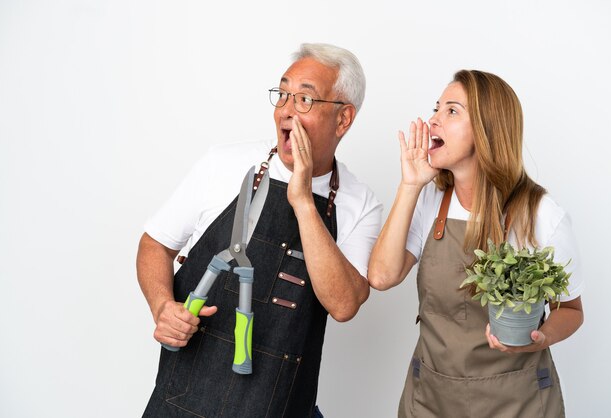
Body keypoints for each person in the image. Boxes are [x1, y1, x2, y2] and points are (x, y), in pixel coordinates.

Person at [137, 43, 382, 417]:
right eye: (282, 94)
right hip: (182, 403)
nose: (286, 109)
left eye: (304, 99)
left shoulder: (359, 204)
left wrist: (303, 200)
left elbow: (344, 304)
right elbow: (155, 244)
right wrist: (162, 307)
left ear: (343, 119)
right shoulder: (223, 164)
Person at [368, 70, 584, 417]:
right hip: (431, 399)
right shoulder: (429, 202)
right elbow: (381, 277)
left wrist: (542, 338)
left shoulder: (541, 214)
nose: (432, 120)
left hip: (518, 402)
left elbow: (571, 311)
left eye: (451, 111)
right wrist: (410, 185)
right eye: (436, 108)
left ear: (487, 129)